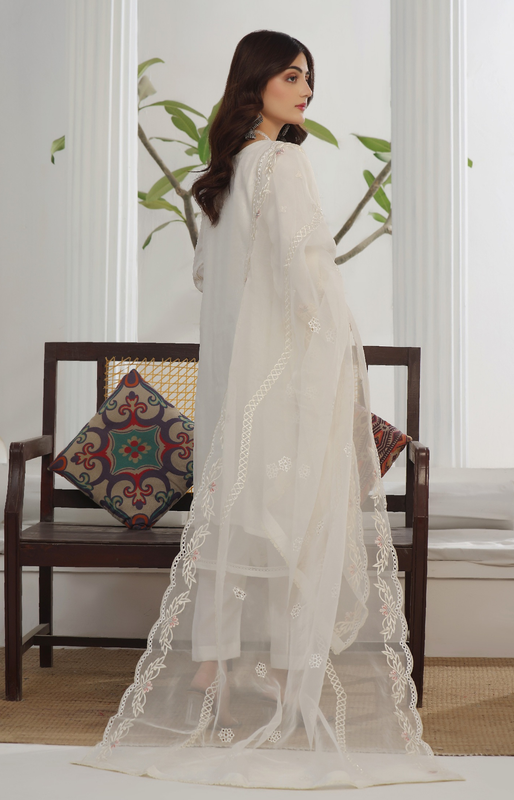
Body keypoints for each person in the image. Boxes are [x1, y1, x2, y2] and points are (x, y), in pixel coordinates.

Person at [77, 30, 463, 789]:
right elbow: (303, 270)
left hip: (231, 384)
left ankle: (214, 666)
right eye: (291, 76)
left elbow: (209, 278)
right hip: (282, 382)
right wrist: (336, 347)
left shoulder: (219, 178)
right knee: (297, 524)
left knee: (234, 519)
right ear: (255, 82)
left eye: (308, 77)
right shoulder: (281, 164)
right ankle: (287, 675)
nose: (306, 90)